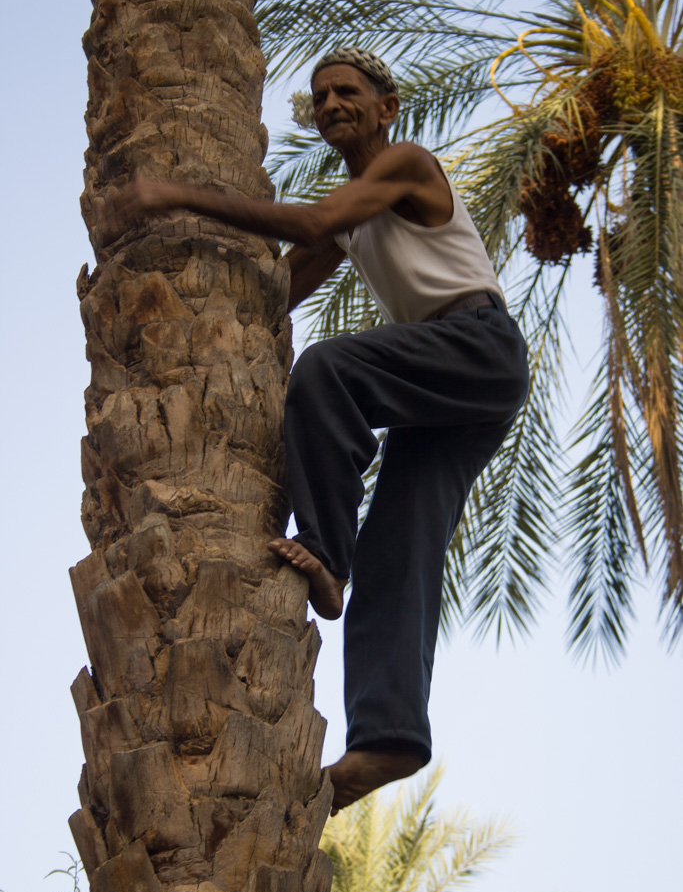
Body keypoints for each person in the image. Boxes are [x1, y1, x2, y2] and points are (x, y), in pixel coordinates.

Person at [112, 46, 530, 813]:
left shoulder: (404, 163)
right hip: (446, 396)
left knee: (330, 369)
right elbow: (277, 290)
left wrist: (174, 194)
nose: (332, 103)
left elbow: (313, 222)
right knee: (398, 549)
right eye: (321, 97)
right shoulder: (351, 222)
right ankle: (388, 739)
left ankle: (325, 553)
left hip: (476, 347)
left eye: (347, 91)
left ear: (385, 107)